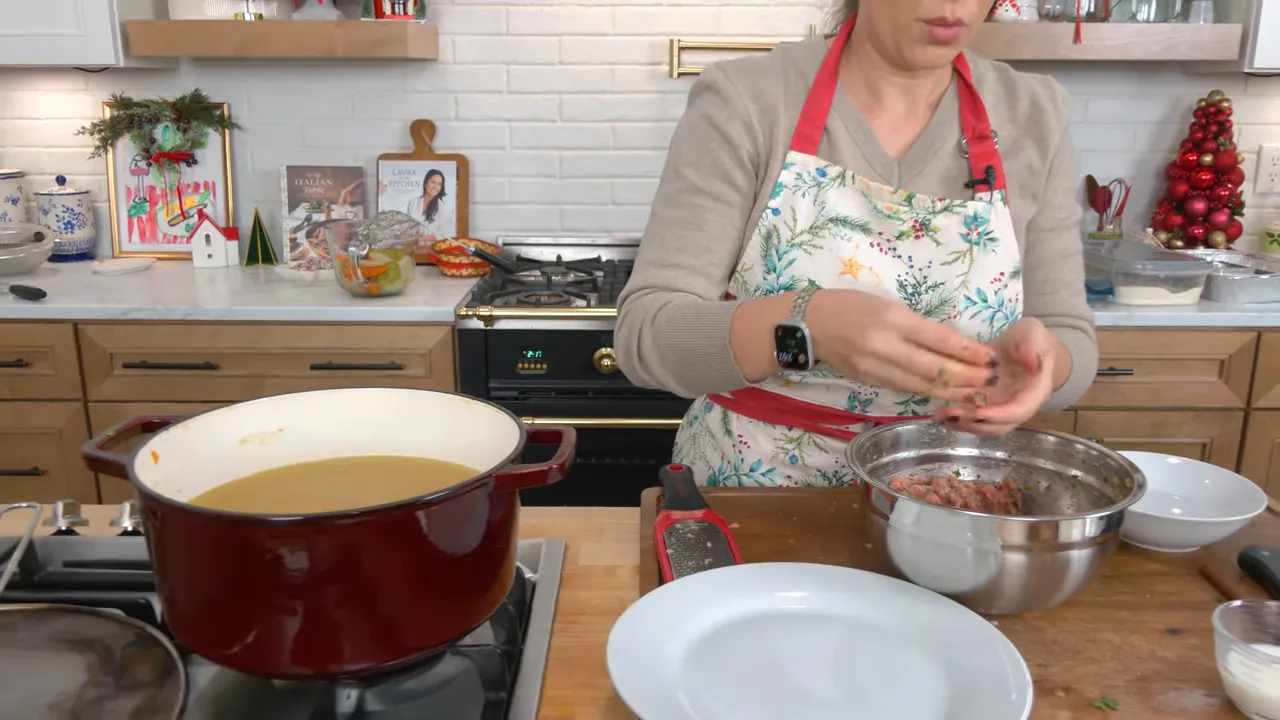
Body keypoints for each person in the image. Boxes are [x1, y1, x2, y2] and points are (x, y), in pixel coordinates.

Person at [615, 0, 1098, 487]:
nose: (956, 5)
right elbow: (648, 336)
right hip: (754, 499)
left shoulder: (1035, 113)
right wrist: (809, 327)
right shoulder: (750, 98)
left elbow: (1070, 337)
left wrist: (1039, 366)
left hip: (949, 502)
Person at [405, 168, 455, 246]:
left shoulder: (444, 208)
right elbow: (407, 226)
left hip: (433, 249)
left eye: (439, 184)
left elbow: (446, 234)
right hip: (413, 247)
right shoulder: (413, 203)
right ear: (426, 183)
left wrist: (423, 238)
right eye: (433, 182)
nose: (435, 186)